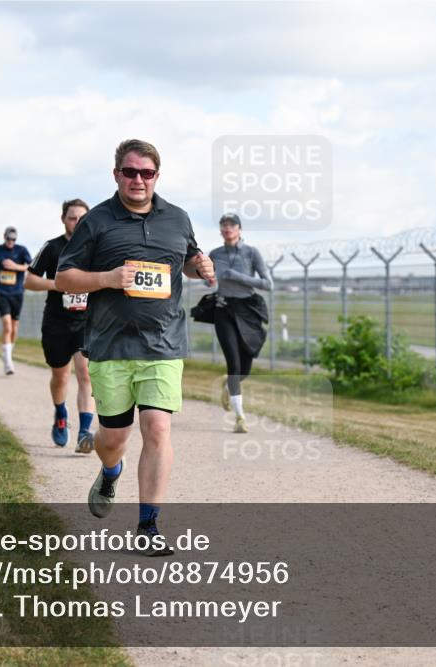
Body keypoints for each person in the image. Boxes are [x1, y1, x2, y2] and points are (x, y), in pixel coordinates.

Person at [56, 139, 216, 556]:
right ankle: (111, 471)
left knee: (158, 428)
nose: (138, 180)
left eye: (146, 173)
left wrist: (199, 267)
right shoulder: (97, 222)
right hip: (110, 346)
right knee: (113, 437)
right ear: (117, 175)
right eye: (130, 172)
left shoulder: (177, 218)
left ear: (157, 176)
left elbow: (185, 259)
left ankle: (148, 526)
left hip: (163, 343)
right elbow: (66, 278)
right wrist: (108, 279)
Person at [26, 198, 96, 450]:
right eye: (72, 218)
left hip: (86, 321)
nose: (77, 223)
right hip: (56, 322)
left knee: (85, 372)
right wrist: (58, 284)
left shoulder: (95, 247)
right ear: (63, 219)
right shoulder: (52, 247)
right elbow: (29, 281)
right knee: (60, 376)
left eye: (82, 218)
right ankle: (60, 414)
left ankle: (85, 432)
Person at [208, 213, 272, 433]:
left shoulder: (251, 252)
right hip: (224, 310)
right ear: (220, 230)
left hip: (248, 312)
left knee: (244, 369)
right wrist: (208, 278)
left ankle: (229, 385)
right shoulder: (215, 254)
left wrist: (236, 276)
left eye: (231, 225)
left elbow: (267, 283)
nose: (227, 228)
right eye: (223, 225)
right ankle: (240, 418)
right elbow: (209, 281)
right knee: (234, 365)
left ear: (239, 229)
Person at [0, 227, 32, 375]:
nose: (11, 242)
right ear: (4, 237)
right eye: (8, 239)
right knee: (7, 325)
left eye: (13, 239)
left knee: (14, 326)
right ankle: (8, 362)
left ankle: (7, 351)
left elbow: (31, 266)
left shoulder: (22, 250)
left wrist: (15, 266)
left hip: (17, 292)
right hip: (1, 291)